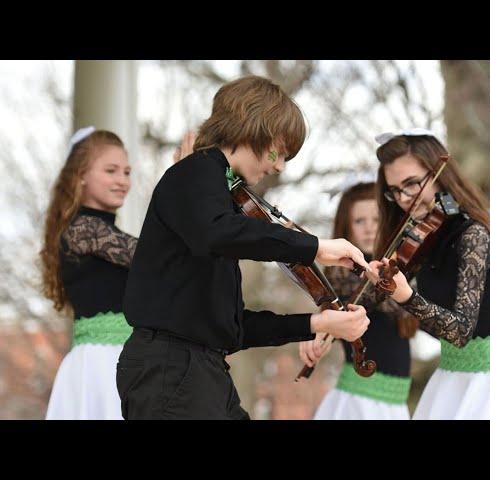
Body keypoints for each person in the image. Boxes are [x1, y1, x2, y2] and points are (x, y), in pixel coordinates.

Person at [116, 75, 371, 420]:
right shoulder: (194, 172)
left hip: (203, 372)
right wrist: (314, 248)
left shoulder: (217, 200)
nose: (279, 165)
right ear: (251, 128)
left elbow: (233, 328)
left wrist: (317, 322)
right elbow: (220, 233)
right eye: (279, 151)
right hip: (172, 370)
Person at [365, 128, 490, 419]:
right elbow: (381, 303)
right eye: (395, 190)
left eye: (412, 184)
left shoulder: (475, 234)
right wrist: (328, 322)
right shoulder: (425, 239)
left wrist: (406, 295)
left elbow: (460, 331)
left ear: (440, 174)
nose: (404, 198)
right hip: (453, 376)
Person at [40, 127, 189, 419]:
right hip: (101, 365)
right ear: (80, 175)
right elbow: (155, 255)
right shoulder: (85, 230)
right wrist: (183, 183)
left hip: (124, 360)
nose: (122, 180)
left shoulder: (105, 233)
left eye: (127, 172)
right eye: (111, 171)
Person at [301, 182, 416, 420]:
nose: (369, 229)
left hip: (395, 400)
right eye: (359, 221)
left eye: (376, 220)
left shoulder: (400, 268)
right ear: (347, 226)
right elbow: (346, 307)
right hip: (359, 400)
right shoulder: (342, 275)